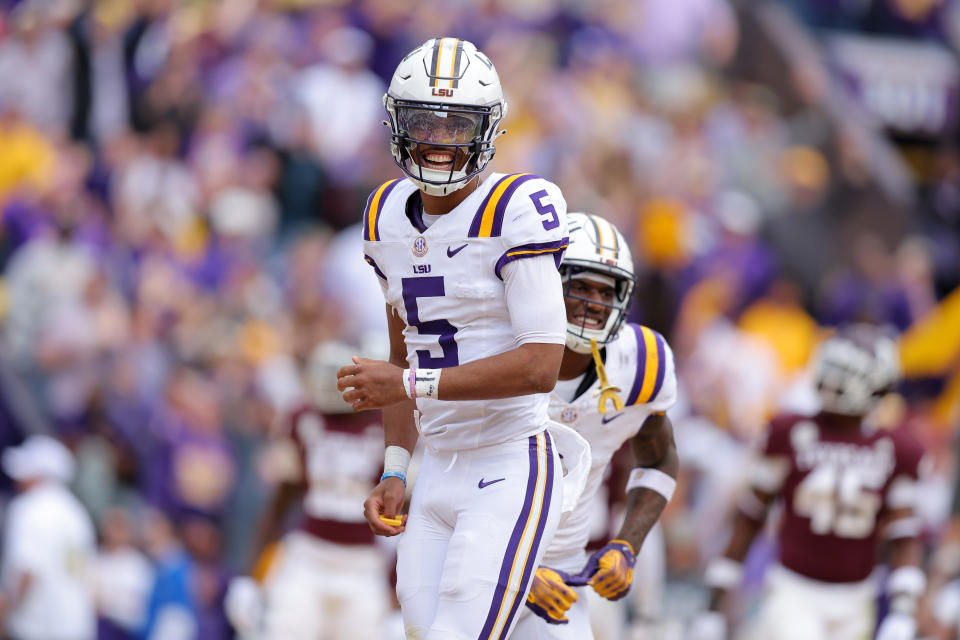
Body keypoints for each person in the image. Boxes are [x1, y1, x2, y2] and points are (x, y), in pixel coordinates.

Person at [337, 37, 573, 640]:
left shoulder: (517, 207)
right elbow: (402, 352)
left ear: (487, 129)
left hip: (508, 457)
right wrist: (396, 469)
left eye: (457, 124)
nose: (440, 139)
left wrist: (410, 383)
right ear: (397, 123)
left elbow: (542, 364)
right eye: (424, 121)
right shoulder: (385, 215)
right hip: (437, 465)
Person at [689, 326, 927, 640]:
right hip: (793, 591)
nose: (830, 381)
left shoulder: (896, 449)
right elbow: (751, 517)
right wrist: (713, 604)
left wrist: (903, 611)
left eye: (841, 372)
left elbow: (904, 534)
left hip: (857, 598)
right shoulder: (790, 432)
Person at [510, 212, 679, 639]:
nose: (595, 302)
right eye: (581, 286)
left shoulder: (640, 363)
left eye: (607, 291)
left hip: (563, 574)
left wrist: (626, 544)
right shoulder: (495, 343)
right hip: (471, 565)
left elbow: (659, 461)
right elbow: (446, 477)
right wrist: (516, 574)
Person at [227, 339, 395, 640]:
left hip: (363, 566)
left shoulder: (385, 423)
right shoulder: (302, 418)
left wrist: (397, 594)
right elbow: (279, 501)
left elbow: (405, 511)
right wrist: (249, 576)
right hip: (308, 558)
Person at [0, 434, 97, 640]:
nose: (18, 479)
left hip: (37, 628)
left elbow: (27, 571)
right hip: (76, 626)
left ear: (38, 474)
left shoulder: (30, 508)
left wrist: (5, 616)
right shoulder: (76, 513)